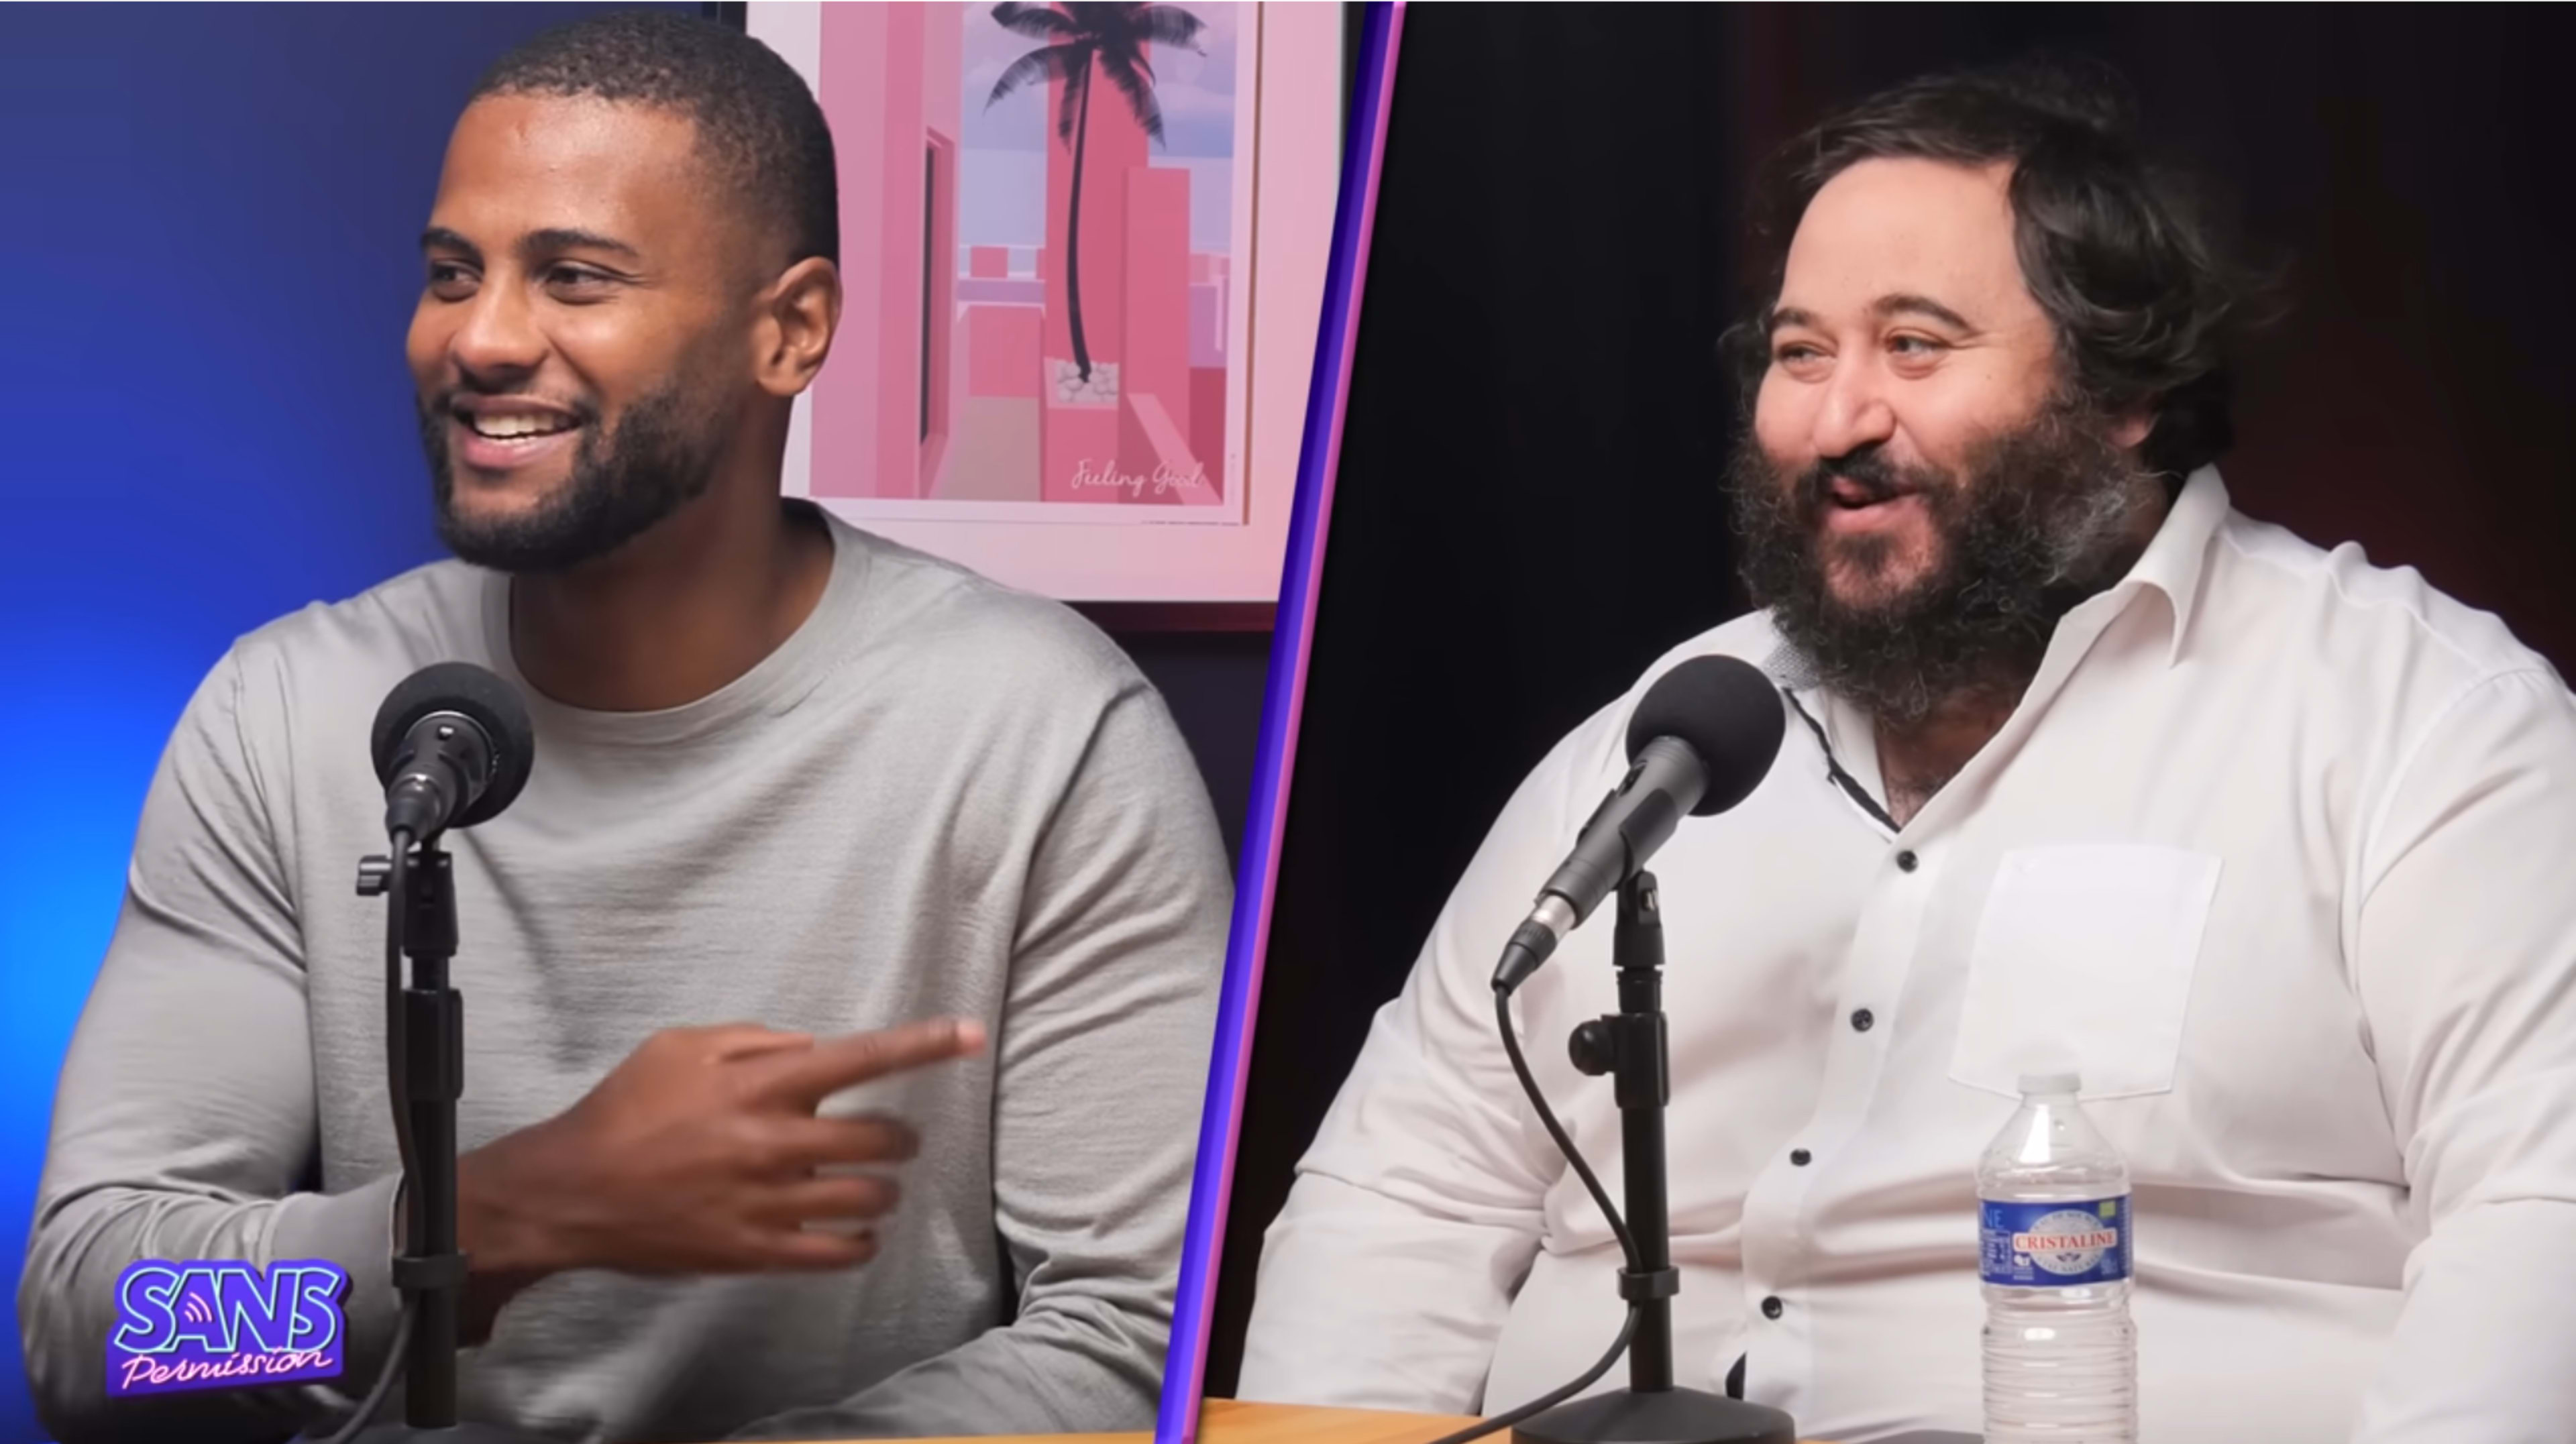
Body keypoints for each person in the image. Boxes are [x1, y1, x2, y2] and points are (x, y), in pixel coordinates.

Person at [1235, 58, 2576, 1444]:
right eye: (1802, 352)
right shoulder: (1663, 744)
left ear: (2123, 391)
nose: (1836, 423)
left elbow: (2545, 1212)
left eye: (1916, 346)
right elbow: (1410, 1194)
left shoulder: (2418, 723)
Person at [19, 12, 1231, 1443]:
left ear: (791, 331)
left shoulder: (1044, 737)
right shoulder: (288, 713)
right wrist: (514, 1215)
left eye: (574, 278)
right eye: (450, 273)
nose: (477, 338)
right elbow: (94, 1347)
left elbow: (1130, 1345)